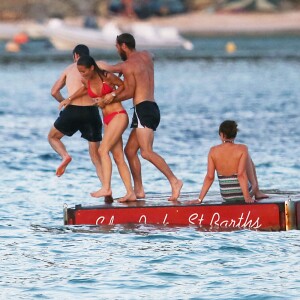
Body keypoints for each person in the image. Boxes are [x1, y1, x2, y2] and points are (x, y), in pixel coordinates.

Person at [98, 33, 183, 201]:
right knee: (130, 151)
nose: (117, 50)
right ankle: (139, 190)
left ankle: (174, 181)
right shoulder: (146, 55)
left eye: (117, 47)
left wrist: (110, 98)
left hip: (143, 109)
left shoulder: (128, 65)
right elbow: (150, 56)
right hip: (152, 107)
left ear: (123, 46)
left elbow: (128, 89)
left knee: (146, 152)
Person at [59, 55, 136, 202]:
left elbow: (123, 85)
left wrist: (112, 95)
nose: (82, 74)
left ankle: (106, 187)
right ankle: (130, 192)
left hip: (118, 115)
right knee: (118, 156)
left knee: (102, 150)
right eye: (80, 72)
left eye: (84, 71)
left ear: (92, 67)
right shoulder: (85, 80)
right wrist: (69, 99)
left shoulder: (106, 76)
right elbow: (84, 90)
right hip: (106, 119)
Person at [48, 45, 103, 181]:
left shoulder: (69, 69)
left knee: (53, 137)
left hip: (72, 110)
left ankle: (65, 156)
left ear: (76, 56)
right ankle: (106, 188)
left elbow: (54, 91)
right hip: (92, 111)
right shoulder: (94, 69)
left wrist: (66, 101)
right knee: (96, 156)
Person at [196, 120, 268, 204]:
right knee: (248, 158)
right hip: (243, 194)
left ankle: (255, 192)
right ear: (235, 135)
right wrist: (247, 197)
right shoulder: (242, 149)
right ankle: (257, 192)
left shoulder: (213, 151)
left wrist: (199, 199)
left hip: (227, 195)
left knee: (245, 157)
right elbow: (241, 175)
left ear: (222, 134)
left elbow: (210, 177)